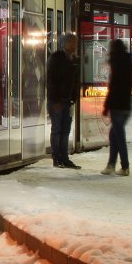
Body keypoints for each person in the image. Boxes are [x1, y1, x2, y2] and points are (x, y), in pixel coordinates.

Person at [47, 33, 80, 169]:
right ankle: (57, 158)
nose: (75, 45)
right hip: (57, 101)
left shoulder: (74, 59)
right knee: (57, 130)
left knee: (65, 130)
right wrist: (55, 100)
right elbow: (51, 81)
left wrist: (73, 99)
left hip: (67, 101)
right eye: (72, 42)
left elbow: (75, 81)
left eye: (75, 42)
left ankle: (64, 158)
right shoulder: (56, 58)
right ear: (65, 44)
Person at [102, 39, 132, 176]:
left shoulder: (116, 63)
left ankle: (124, 166)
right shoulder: (128, 62)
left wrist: (106, 105)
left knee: (118, 135)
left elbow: (113, 86)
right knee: (114, 134)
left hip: (117, 104)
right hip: (126, 103)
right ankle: (111, 165)